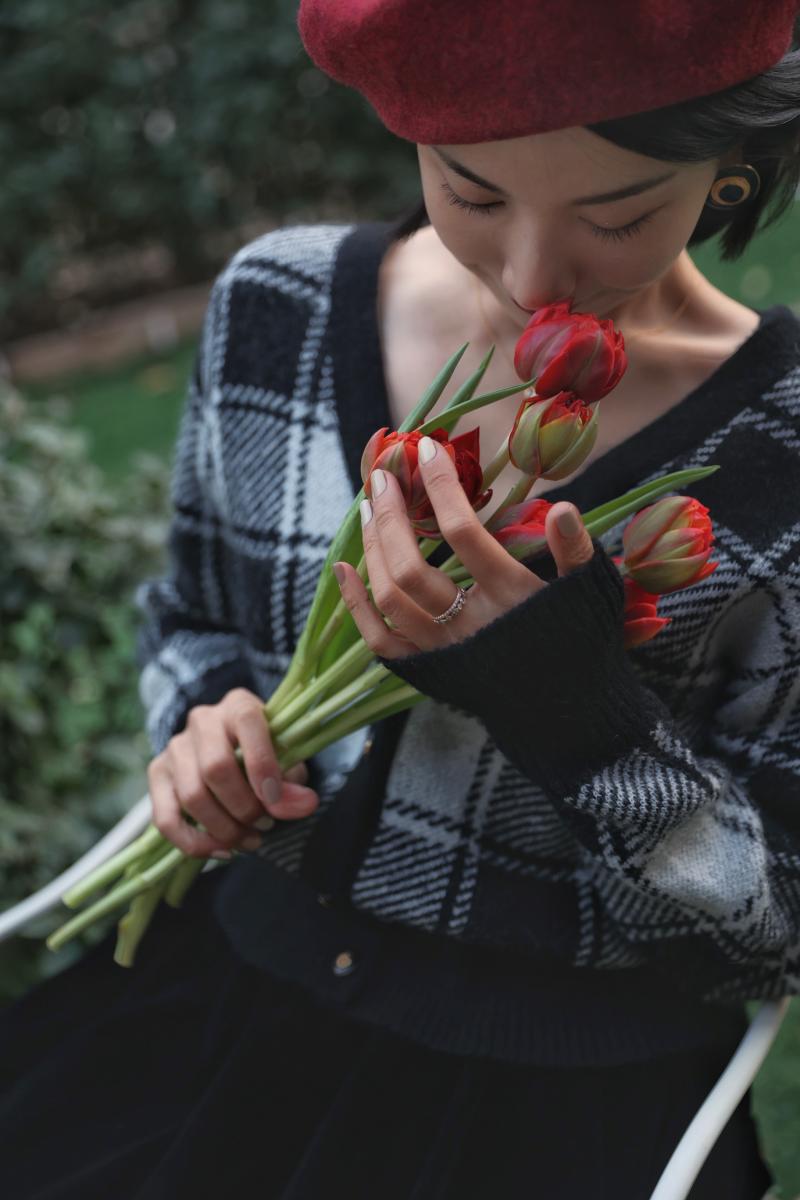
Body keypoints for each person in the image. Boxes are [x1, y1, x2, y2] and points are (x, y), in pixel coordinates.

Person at [1, 2, 799, 1196]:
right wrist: (206, 730)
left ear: (730, 170)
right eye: (471, 193)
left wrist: (579, 720)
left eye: (617, 210)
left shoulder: (778, 453)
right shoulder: (280, 305)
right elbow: (190, 619)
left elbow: (761, 938)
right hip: (225, 1003)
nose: (531, 274)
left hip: (553, 1095)